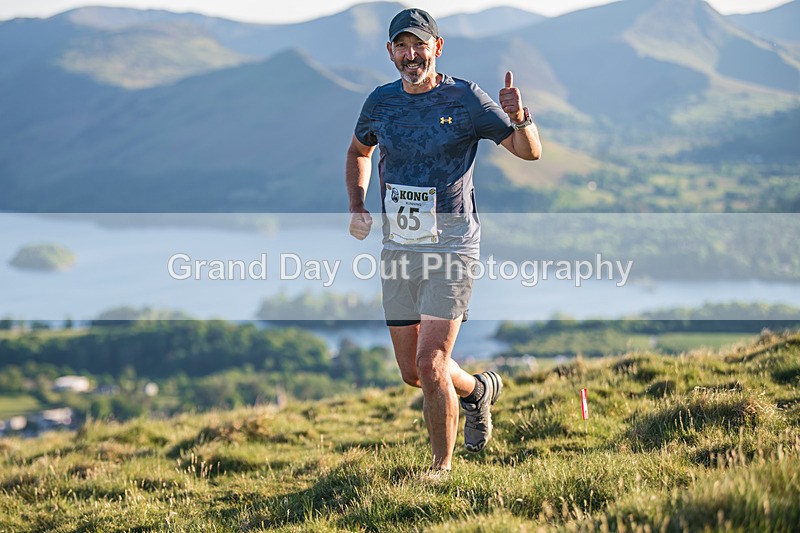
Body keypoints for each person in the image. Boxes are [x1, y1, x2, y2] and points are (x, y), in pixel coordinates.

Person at [345, 7, 541, 471]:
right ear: (391, 52)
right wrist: (357, 204)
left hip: (453, 244)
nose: (411, 55)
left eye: (420, 45)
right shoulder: (380, 101)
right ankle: (477, 390)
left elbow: (528, 152)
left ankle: (440, 470)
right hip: (400, 246)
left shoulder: (465, 98)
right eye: (402, 46)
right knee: (414, 372)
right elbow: (359, 151)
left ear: (437, 46)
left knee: (432, 363)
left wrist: (519, 117)